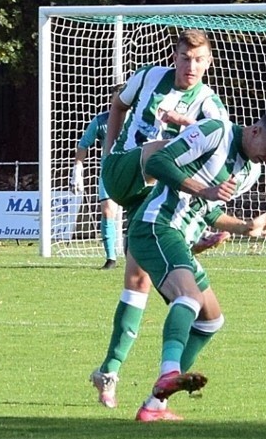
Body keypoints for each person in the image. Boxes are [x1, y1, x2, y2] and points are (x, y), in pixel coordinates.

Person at [131, 108, 266, 421]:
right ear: (255, 131)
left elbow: (208, 211)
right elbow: (156, 162)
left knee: (211, 320)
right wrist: (203, 189)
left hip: (179, 239)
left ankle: (155, 406)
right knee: (190, 298)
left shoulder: (250, 172)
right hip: (156, 225)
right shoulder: (215, 131)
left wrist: (246, 227)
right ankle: (168, 373)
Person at [90, 29, 229, 409]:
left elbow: (211, 157)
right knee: (160, 153)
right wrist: (110, 149)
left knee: (139, 281)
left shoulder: (211, 106)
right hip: (128, 168)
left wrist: (199, 224)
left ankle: (110, 372)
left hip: (152, 197)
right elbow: (117, 105)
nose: (191, 66)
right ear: (175, 56)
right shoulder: (149, 76)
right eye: (185, 58)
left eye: (199, 60)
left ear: (209, 62)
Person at [70, 111, 119, 270]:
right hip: (109, 172)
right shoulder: (101, 120)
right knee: (107, 212)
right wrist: (77, 170)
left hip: (134, 171)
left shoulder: (139, 117)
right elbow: (84, 144)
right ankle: (111, 258)